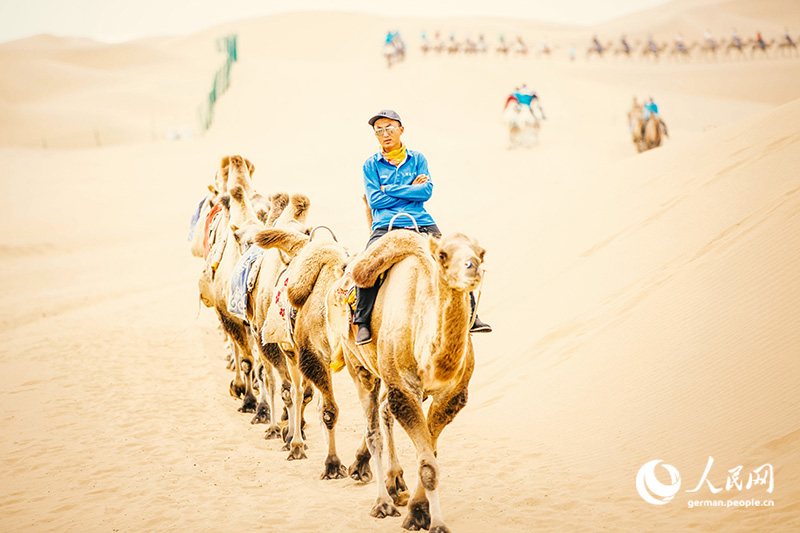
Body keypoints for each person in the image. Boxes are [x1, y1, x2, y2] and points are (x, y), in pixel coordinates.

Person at [354, 109, 492, 345]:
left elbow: (426, 192)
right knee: (367, 265)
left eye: (389, 128)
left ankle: (471, 314)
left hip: (421, 221)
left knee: (451, 258)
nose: (385, 134)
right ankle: (362, 322)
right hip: (386, 224)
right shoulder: (370, 165)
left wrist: (390, 190)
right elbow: (375, 200)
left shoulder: (417, 159)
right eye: (379, 130)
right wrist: (410, 188)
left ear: (401, 130)